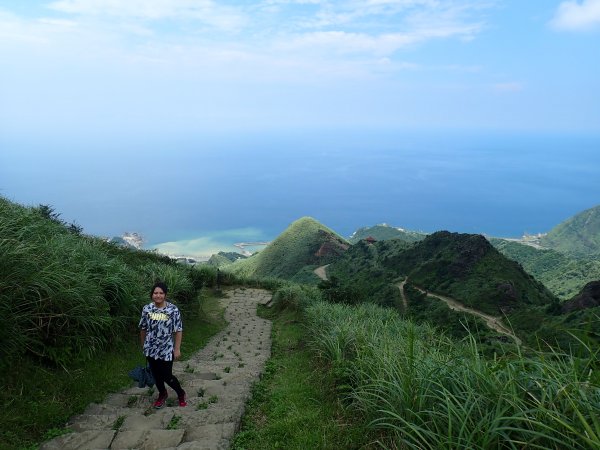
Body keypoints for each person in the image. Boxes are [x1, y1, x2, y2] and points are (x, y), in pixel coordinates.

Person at [139, 281, 187, 408]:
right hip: (151, 347)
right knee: (156, 374)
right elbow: (143, 328)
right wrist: (143, 345)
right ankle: (162, 394)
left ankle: (181, 393)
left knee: (167, 375)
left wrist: (177, 349)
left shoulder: (172, 310)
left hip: (166, 348)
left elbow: (178, 330)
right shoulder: (147, 309)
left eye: (161, 293)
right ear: (152, 294)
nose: (158, 295)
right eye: (155, 293)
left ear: (165, 295)